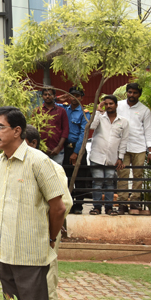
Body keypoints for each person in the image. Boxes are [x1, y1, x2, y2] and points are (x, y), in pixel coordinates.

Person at [0, 106, 65, 300]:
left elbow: (58, 208)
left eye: (0, 127)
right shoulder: (0, 161)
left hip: (30, 255)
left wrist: (50, 239)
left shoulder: (38, 161)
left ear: (17, 131)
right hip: (4, 252)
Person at [23, 125, 72, 300]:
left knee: (46, 282)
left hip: (45, 234)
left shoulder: (52, 167)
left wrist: (49, 234)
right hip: (24, 235)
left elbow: (63, 204)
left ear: (33, 143)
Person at [115, 83, 151, 214]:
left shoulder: (145, 110)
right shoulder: (118, 105)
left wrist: (150, 150)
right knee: (123, 174)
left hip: (139, 146)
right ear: (126, 92)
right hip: (122, 146)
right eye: (130, 92)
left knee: (138, 175)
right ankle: (122, 203)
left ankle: (134, 202)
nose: (132, 95)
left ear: (139, 94)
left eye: (135, 93)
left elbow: (148, 131)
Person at [87, 95, 128, 215]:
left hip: (112, 158)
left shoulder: (123, 121)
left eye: (111, 104)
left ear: (116, 105)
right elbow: (92, 126)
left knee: (110, 182)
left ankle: (109, 208)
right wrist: (98, 111)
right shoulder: (100, 117)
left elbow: (124, 141)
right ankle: (97, 207)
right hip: (97, 156)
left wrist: (120, 157)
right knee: (97, 182)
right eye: (107, 104)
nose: (109, 106)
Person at [61, 86, 90, 214]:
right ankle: (69, 204)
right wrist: (60, 97)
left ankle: (78, 205)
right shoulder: (63, 109)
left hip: (78, 150)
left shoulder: (85, 112)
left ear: (81, 98)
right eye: (72, 95)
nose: (74, 98)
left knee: (80, 179)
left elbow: (84, 134)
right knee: (65, 178)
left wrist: (76, 152)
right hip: (64, 149)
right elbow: (47, 102)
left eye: (77, 96)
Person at [38, 87, 69, 164]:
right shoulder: (38, 111)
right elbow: (35, 130)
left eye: (50, 94)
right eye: (45, 94)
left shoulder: (61, 111)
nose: (47, 96)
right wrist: (42, 147)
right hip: (42, 150)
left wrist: (58, 147)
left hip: (58, 150)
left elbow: (65, 130)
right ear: (42, 96)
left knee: (57, 174)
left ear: (54, 96)